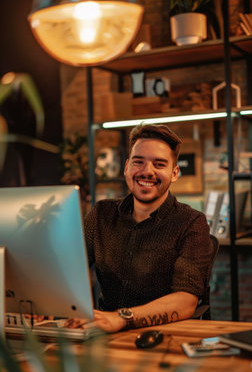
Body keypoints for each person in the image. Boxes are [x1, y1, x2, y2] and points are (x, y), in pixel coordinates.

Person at [67, 124, 213, 333]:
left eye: (159, 164)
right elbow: (69, 266)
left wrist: (121, 318)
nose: (147, 171)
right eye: (139, 162)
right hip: (103, 332)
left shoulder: (191, 222)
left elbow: (186, 300)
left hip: (165, 334)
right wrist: (42, 304)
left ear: (174, 173)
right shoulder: (102, 213)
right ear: (127, 167)